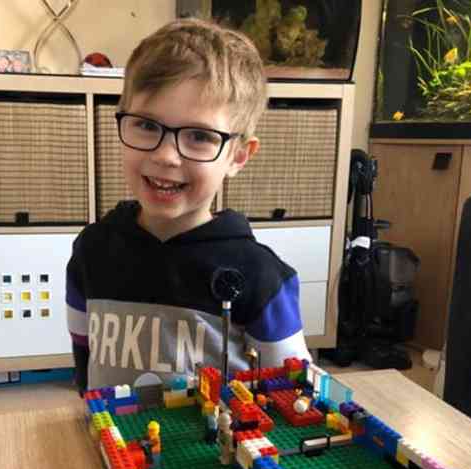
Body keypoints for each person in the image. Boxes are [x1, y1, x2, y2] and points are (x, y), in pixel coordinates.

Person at [66, 18, 311, 395]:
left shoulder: (261, 276)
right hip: (110, 442)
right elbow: (83, 354)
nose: (165, 156)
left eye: (199, 136)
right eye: (147, 126)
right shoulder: (92, 249)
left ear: (239, 156)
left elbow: (296, 388)